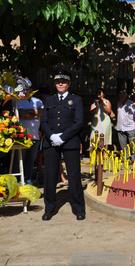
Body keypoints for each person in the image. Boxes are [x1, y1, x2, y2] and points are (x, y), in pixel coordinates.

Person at [40, 69, 85, 221]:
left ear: (68, 84)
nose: (60, 83)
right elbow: (43, 121)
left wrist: (63, 137)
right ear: (55, 83)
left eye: (63, 81)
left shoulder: (76, 99)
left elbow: (79, 122)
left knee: (73, 176)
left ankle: (79, 208)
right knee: (50, 176)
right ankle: (49, 208)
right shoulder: (49, 100)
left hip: (70, 141)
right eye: (58, 81)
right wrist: (51, 135)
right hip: (51, 141)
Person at [15, 77, 44, 185]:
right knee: (20, 161)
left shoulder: (38, 101)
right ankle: (19, 182)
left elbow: (41, 113)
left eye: (28, 89)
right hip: (21, 137)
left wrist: (28, 113)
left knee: (31, 161)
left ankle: (28, 181)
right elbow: (21, 114)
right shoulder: (17, 102)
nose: (26, 91)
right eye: (24, 89)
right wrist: (34, 113)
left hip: (35, 136)